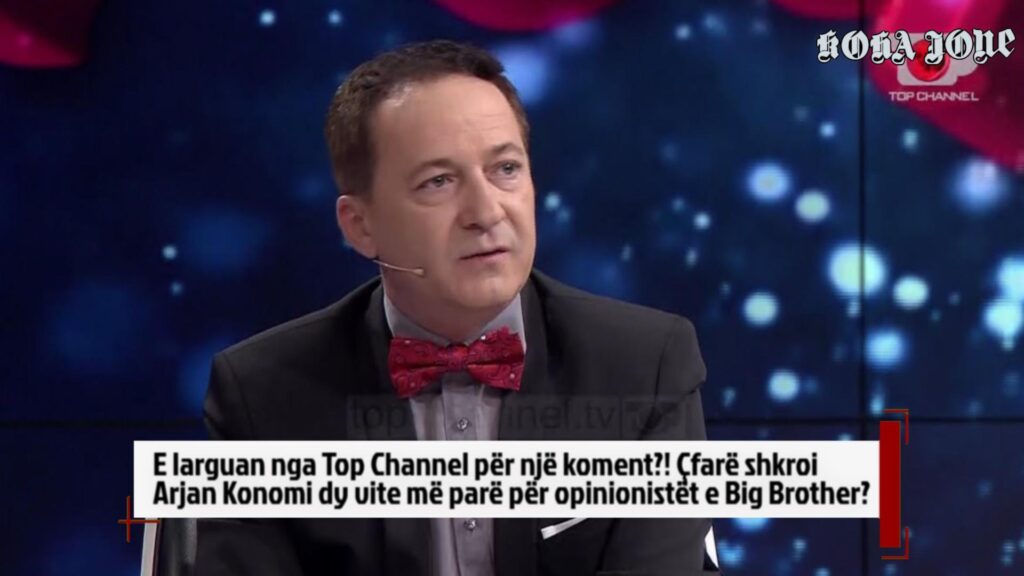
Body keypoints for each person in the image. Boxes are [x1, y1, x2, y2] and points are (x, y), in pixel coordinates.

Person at [194, 39, 719, 576]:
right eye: (438, 182)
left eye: (506, 168)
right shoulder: (262, 397)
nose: (486, 212)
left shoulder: (646, 367)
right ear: (360, 226)